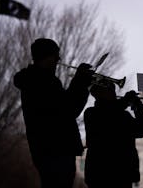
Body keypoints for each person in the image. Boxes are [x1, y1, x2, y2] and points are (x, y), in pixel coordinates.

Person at [14, 38, 93, 188]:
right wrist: (81, 81)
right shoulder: (43, 82)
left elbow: (64, 108)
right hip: (55, 151)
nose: (59, 59)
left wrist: (79, 81)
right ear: (47, 57)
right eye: (56, 55)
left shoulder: (38, 80)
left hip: (48, 150)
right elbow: (68, 109)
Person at [84, 80, 143, 188]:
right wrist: (125, 101)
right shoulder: (91, 113)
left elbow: (142, 129)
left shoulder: (123, 115)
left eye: (113, 90)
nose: (114, 94)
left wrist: (138, 108)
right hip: (101, 174)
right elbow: (108, 115)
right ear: (99, 94)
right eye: (110, 91)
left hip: (120, 174)